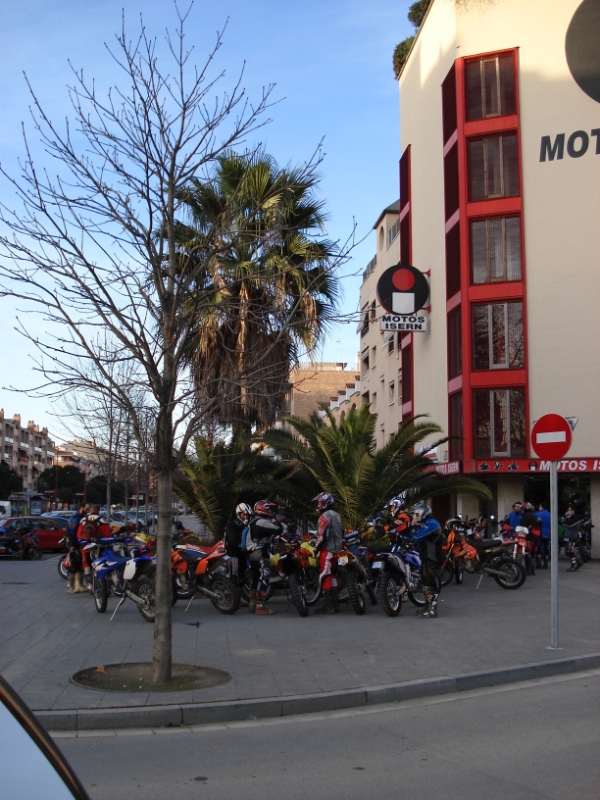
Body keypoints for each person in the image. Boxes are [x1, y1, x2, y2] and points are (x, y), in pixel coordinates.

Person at [245, 500, 282, 615]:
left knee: (255, 579)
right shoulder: (261, 522)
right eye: (268, 509)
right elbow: (277, 530)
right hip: (260, 555)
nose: (270, 511)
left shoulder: (253, 522)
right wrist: (276, 521)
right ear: (263, 509)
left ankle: (252, 605)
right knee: (263, 578)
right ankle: (260, 607)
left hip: (253, 555)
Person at [408, 503, 443, 619]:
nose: (415, 517)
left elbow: (417, 537)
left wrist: (413, 525)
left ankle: (432, 610)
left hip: (432, 558)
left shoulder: (431, 524)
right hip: (426, 557)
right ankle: (427, 607)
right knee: (425, 582)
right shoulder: (426, 523)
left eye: (416, 514)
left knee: (429, 583)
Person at [313, 492, 343, 614]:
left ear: (326, 503)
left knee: (324, 576)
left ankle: (329, 605)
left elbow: (322, 536)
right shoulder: (337, 515)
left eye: (319, 502)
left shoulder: (324, 517)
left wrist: (316, 550)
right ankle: (336, 604)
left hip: (328, 550)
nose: (318, 505)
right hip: (337, 550)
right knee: (333, 576)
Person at [225, 503, 251, 587]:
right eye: (244, 515)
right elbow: (233, 541)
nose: (246, 517)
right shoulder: (232, 525)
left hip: (244, 554)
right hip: (234, 554)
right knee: (235, 577)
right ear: (239, 514)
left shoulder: (247, 525)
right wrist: (243, 545)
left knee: (242, 577)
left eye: (247, 515)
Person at [66, 503, 87, 593]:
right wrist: (72, 544)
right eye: (86, 509)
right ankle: (70, 586)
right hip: (74, 544)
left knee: (80, 565)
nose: (88, 511)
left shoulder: (83, 517)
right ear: (81, 508)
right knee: (73, 565)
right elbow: (70, 531)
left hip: (80, 544)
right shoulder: (75, 518)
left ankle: (79, 585)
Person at [520, 502, 541, 575]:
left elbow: (523, 526)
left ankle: (528, 569)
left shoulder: (526, 516)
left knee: (527, 552)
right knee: (532, 553)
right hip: (535, 537)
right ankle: (532, 569)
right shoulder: (534, 515)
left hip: (529, 536)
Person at [563, 504, 583, 572]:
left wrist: (567, 517)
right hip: (568, 536)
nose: (568, 511)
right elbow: (564, 522)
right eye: (568, 510)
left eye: (570, 510)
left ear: (573, 511)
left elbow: (569, 524)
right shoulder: (569, 517)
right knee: (567, 552)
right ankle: (578, 562)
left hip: (572, 536)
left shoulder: (575, 518)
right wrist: (566, 517)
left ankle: (573, 565)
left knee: (570, 551)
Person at [537, 502, 552, 569]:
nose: (539, 508)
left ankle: (538, 563)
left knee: (538, 547)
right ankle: (546, 563)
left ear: (542, 507)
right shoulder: (550, 514)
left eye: (540, 507)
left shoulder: (538, 514)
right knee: (546, 547)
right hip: (548, 533)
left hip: (540, 533)